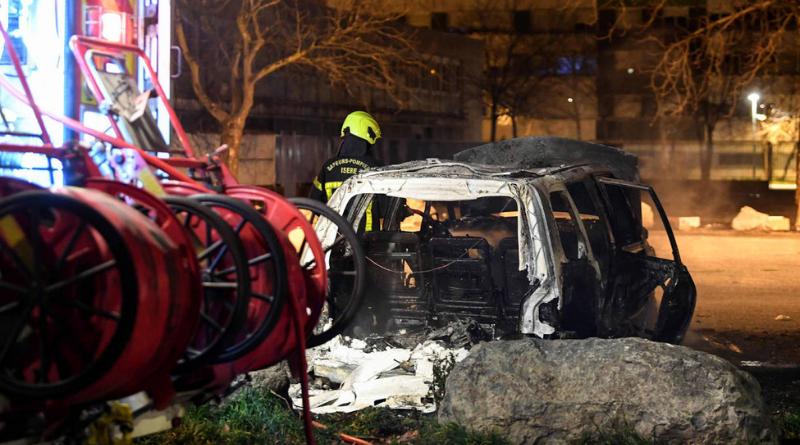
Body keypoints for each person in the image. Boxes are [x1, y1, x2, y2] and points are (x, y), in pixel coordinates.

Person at [310, 111, 382, 230]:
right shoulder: (376, 168)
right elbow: (386, 208)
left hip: (333, 241)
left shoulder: (328, 167)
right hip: (367, 243)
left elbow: (315, 203)